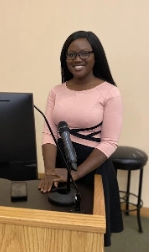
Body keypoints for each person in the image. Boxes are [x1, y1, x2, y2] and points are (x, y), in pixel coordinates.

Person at [38, 30, 123, 247]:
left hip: (92, 168)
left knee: (87, 239)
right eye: (71, 54)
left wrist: (75, 174)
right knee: (58, 231)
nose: (77, 59)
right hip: (60, 163)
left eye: (84, 53)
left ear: (96, 57)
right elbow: (49, 132)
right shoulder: (56, 91)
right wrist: (49, 171)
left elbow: (109, 142)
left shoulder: (109, 93)